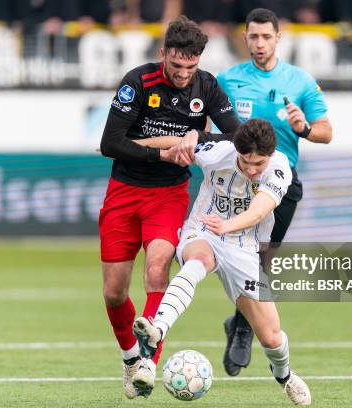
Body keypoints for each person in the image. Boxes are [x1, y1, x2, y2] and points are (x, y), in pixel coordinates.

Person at [98, 15, 240, 399]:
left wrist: (198, 135)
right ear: (163, 54)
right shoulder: (138, 82)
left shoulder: (207, 86)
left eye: (189, 67)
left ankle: (148, 361)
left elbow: (236, 134)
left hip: (170, 197)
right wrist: (164, 151)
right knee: (114, 293)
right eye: (176, 65)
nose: (182, 74)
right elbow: (111, 143)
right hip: (124, 191)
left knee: (158, 268)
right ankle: (130, 358)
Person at [132, 119, 312, 406]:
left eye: (259, 164)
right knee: (198, 259)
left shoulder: (279, 168)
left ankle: (285, 376)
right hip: (203, 230)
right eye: (245, 162)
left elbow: (259, 210)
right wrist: (130, 146)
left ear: (270, 155)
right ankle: (158, 330)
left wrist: (228, 226)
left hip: (245, 247)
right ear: (236, 150)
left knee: (271, 337)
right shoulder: (218, 152)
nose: (252, 170)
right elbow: (175, 141)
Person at [216, 8, 332, 376]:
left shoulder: (299, 81)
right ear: (245, 38)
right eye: (253, 36)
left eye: (266, 36)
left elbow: (326, 131)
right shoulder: (228, 79)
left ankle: (240, 325)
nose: (260, 43)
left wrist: (304, 128)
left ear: (278, 38)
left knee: (264, 258)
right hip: (237, 181)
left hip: (281, 182)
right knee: (241, 256)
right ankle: (244, 333)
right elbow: (209, 129)